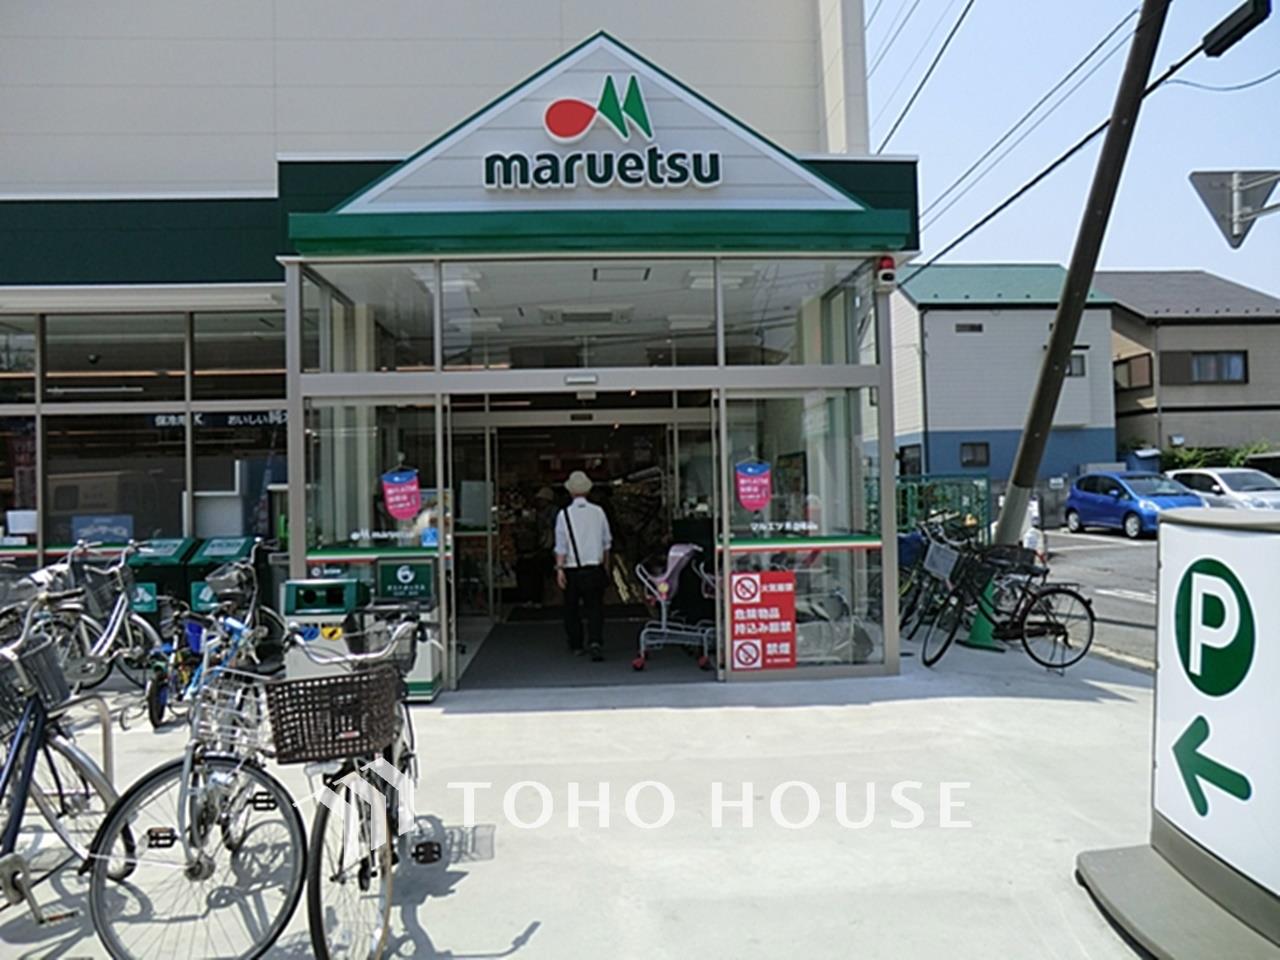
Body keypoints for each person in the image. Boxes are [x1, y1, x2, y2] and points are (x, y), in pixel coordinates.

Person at [554, 470, 611, 661]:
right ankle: (595, 641)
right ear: (588, 490)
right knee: (595, 607)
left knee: (571, 609)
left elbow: (561, 546)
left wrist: (559, 569)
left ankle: (576, 644)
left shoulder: (563, 515)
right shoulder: (598, 512)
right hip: (594, 568)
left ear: (570, 492)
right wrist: (606, 567)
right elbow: (606, 543)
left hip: (572, 569)